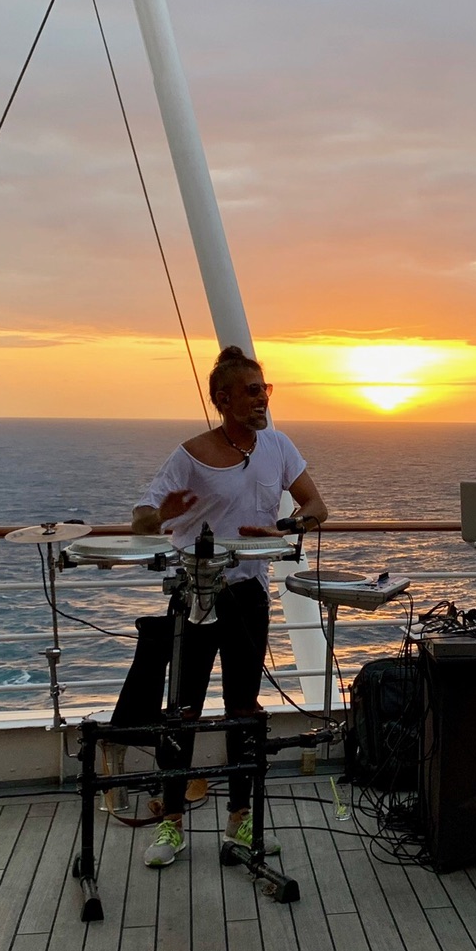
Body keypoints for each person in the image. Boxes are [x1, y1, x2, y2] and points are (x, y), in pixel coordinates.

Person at [123, 346, 328, 869]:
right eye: (253, 391)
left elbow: (317, 507)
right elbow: (141, 520)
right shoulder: (190, 455)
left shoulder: (279, 446)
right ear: (224, 399)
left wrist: (285, 528)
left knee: (243, 709)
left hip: (249, 597)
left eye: (266, 389)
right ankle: (172, 823)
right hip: (195, 594)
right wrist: (162, 514)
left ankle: (241, 820)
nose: (263, 399)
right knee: (183, 711)